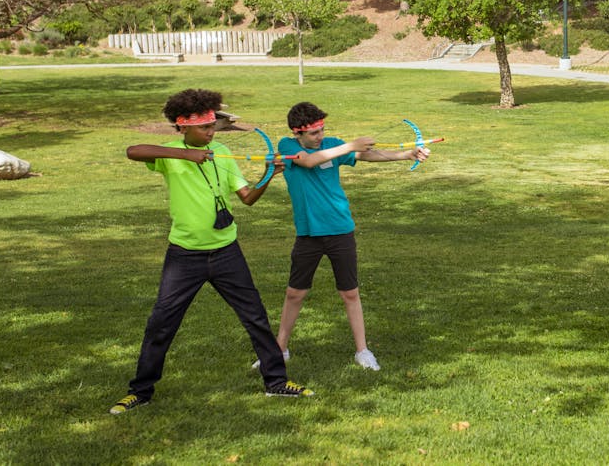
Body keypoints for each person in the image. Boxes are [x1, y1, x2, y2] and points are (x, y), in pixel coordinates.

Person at [110, 89, 313, 415]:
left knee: (256, 317)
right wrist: (184, 156)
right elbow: (133, 151)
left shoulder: (221, 151)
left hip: (226, 252)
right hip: (184, 255)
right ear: (183, 127)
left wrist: (269, 175)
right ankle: (141, 391)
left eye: (212, 126)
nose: (211, 132)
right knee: (161, 323)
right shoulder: (169, 153)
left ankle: (276, 382)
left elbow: (246, 197)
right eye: (204, 128)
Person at [255, 102, 429, 372]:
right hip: (309, 234)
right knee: (294, 293)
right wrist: (350, 145)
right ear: (297, 133)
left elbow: (367, 156)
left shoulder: (333, 144)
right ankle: (280, 349)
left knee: (350, 292)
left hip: (340, 230)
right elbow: (310, 162)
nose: (320, 137)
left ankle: (362, 350)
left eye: (322, 130)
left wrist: (406, 155)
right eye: (314, 134)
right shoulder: (289, 147)